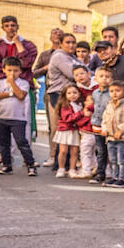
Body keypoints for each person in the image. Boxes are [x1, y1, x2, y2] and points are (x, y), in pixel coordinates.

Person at [0, 56, 37, 175]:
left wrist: (11, 82)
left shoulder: (24, 83)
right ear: (4, 70)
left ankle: (30, 164)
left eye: (16, 70)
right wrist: (11, 93)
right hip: (0, 117)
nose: (12, 73)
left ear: (20, 71)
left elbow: (21, 95)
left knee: (22, 142)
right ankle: (7, 165)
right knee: (3, 143)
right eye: (10, 70)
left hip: (17, 118)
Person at [44, 31, 81, 170]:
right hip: (58, 95)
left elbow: (84, 70)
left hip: (69, 94)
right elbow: (74, 74)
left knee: (68, 128)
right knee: (63, 128)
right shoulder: (60, 56)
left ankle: (64, 164)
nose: (71, 45)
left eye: (73, 42)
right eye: (68, 42)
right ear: (60, 44)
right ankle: (59, 165)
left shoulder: (72, 57)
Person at [100, 81, 124, 188]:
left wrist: (120, 131)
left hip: (122, 139)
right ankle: (114, 177)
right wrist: (104, 129)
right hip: (110, 139)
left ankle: (122, 178)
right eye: (111, 91)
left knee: (122, 160)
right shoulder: (109, 105)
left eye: (117, 91)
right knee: (113, 159)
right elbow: (105, 119)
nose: (114, 93)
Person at [52, 85, 87, 178]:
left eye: (75, 93)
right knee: (63, 151)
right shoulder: (65, 106)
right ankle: (61, 168)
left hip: (75, 131)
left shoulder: (80, 105)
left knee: (74, 152)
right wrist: (82, 113)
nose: (72, 95)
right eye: (69, 93)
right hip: (65, 130)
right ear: (65, 95)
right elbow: (68, 118)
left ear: (79, 94)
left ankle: (72, 169)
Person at [88, 67, 113, 184]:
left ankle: (115, 174)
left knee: (112, 150)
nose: (104, 79)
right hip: (97, 125)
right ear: (96, 79)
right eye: (101, 76)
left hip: (109, 126)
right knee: (100, 150)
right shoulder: (95, 93)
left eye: (107, 77)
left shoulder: (112, 94)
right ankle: (100, 173)